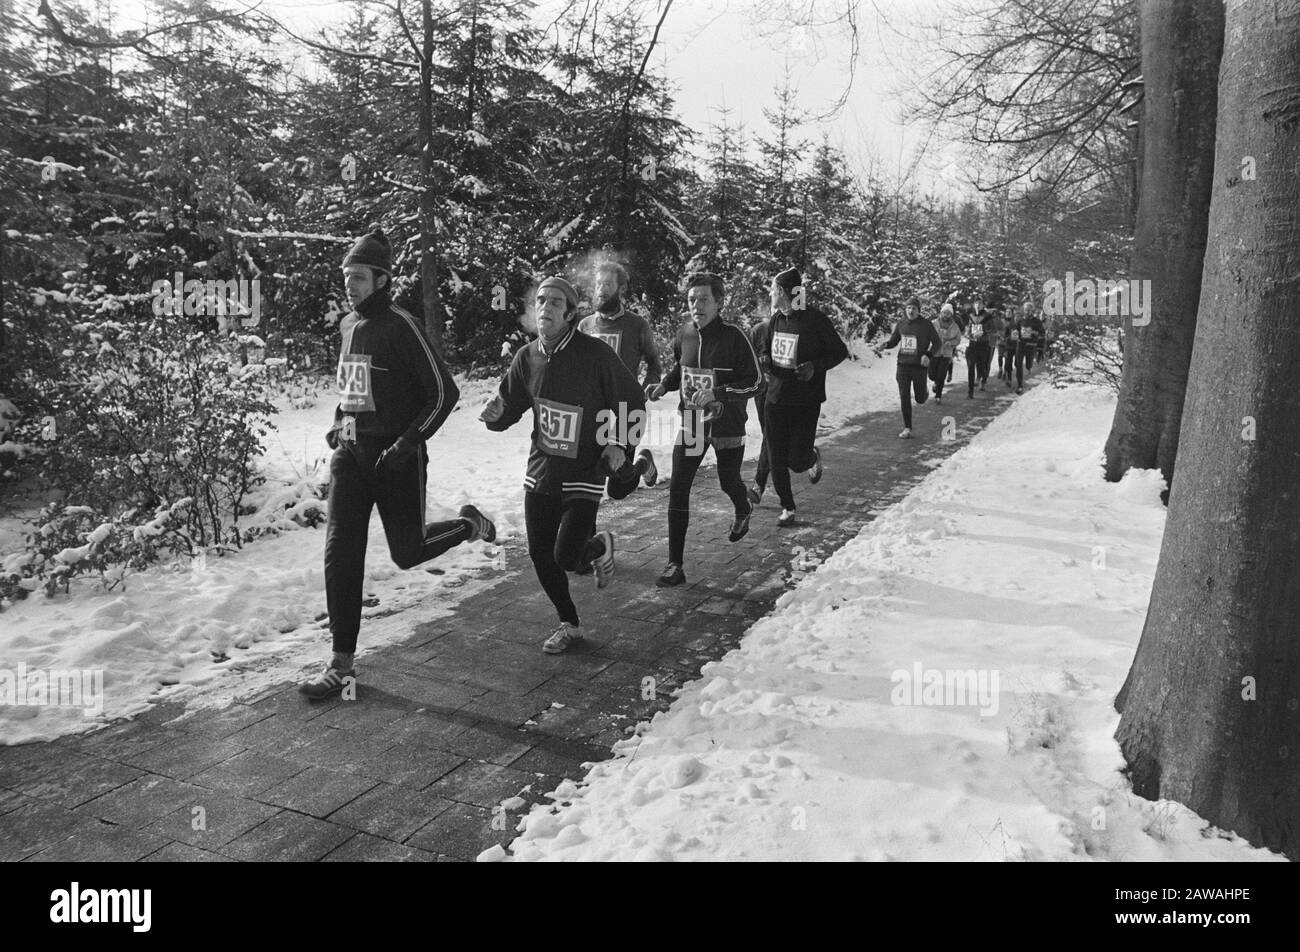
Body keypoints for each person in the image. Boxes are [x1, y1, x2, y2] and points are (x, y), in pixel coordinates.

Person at [302, 225, 497, 699]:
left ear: (383, 281)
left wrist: (408, 443)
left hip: (396, 458)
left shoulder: (402, 327)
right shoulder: (349, 327)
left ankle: (468, 525)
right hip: (351, 456)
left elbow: (443, 393)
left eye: (360, 278)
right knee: (340, 554)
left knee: (406, 553)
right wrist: (337, 421)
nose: (351, 285)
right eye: (347, 276)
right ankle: (342, 664)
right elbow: (351, 389)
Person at [481, 276, 646, 653]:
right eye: (541, 300)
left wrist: (620, 444)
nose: (546, 308)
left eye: (556, 302)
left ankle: (597, 547)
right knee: (540, 554)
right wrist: (494, 416)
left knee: (566, 555)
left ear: (570, 314)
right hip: (541, 470)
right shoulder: (527, 357)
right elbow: (509, 407)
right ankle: (569, 624)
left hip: (585, 470)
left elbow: (632, 400)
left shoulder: (595, 354)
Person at [647, 272, 761, 587]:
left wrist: (718, 393)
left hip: (726, 424)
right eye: (692, 299)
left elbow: (755, 382)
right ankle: (675, 564)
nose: (697, 305)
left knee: (728, 482)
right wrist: (663, 386)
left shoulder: (735, 336)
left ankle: (743, 506)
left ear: (719, 302)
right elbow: (678, 369)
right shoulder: (684, 333)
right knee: (679, 487)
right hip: (693, 423)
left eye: (704, 299)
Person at [763, 267, 848, 527]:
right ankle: (787, 507)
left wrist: (813, 367)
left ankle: (810, 457)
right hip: (775, 399)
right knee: (775, 455)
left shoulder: (815, 320)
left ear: (787, 293)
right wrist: (765, 360)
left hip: (804, 401)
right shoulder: (776, 320)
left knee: (796, 462)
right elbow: (766, 350)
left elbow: (839, 352)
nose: (771, 294)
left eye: (775, 289)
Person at [578, 260, 662, 495]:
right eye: (598, 284)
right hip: (593, 413)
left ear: (621, 289)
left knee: (617, 490)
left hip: (625, 411)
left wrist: (647, 388)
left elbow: (654, 363)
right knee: (588, 480)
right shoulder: (585, 325)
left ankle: (643, 462)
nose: (602, 290)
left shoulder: (637, 325)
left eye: (608, 284)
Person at [874, 296, 942, 439]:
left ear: (919, 310)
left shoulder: (926, 325)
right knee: (904, 396)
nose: (911, 311)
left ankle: (924, 393)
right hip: (903, 366)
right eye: (909, 308)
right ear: (905, 310)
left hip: (919, 367)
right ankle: (907, 427)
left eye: (914, 308)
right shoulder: (901, 324)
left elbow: (937, 344)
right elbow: (894, 341)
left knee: (920, 399)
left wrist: (928, 356)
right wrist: (885, 345)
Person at [747, 310, 773, 507]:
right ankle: (758, 485)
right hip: (762, 393)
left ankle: (808, 455)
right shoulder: (758, 331)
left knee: (775, 439)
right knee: (770, 436)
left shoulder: (794, 331)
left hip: (786, 392)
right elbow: (745, 362)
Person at [964, 294, 998, 397]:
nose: (978, 305)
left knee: (982, 365)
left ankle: (983, 379)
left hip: (983, 344)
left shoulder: (988, 316)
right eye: (976, 303)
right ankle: (970, 391)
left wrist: (984, 332)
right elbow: (969, 328)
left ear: (983, 305)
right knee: (970, 367)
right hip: (973, 344)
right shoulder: (971, 316)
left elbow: (993, 330)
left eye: (980, 303)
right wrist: (968, 334)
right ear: (973, 305)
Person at [930, 303, 962, 403]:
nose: (945, 315)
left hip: (946, 354)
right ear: (941, 313)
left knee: (942, 375)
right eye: (944, 312)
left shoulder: (955, 326)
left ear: (951, 315)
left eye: (948, 313)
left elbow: (958, 339)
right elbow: (927, 335)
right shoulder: (934, 323)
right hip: (934, 352)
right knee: (931, 374)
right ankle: (935, 382)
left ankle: (938, 396)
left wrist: (951, 343)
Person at [1013, 299, 1045, 394]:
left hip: (1031, 345)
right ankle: (1019, 385)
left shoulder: (1037, 322)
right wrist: (1016, 334)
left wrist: (1035, 332)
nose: (1027, 311)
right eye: (1026, 310)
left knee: (1028, 364)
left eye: (1029, 310)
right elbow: (1016, 331)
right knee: (1018, 364)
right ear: (1023, 310)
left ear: (1032, 311)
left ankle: (1029, 367)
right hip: (1021, 344)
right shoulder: (1020, 321)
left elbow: (1042, 334)